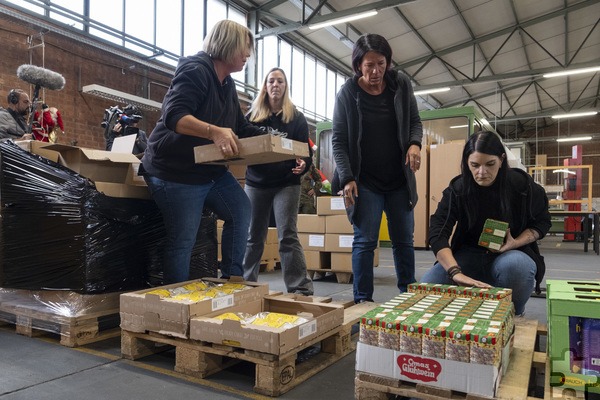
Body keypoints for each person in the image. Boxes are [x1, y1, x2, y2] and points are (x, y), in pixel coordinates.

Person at [140, 20, 262, 284]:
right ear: (229, 46)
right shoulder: (195, 70)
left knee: (240, 210)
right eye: (245, 49)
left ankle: (233, 279)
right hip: (175, 171)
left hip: (209, 170)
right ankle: (177, 300)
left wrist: (275, 139)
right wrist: (214, 131)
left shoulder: (227, 83)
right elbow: (174, 115)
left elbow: (239, 126)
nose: (248, 56)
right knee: (184, 238)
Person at [332, 33, 423, 304]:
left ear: (388, 62)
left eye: (381, 64)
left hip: (398, 180)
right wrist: (347, 177)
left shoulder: (401, 85)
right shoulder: (348, 93)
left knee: (404, 241)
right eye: (369, 65)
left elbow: (415, 122)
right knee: (365, 241)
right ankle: (362, 301)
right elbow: (338, 141)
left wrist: (415, 144)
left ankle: (408, 296)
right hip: (365, 181)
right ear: (358, 64)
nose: (375, 71)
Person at [420, 131, 551, 316]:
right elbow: (437, 232)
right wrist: (454, 271)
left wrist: (514, 243)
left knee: (517, 268)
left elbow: (543, 222)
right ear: (467, 162)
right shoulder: (457, 190)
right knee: (427, 287)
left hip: (511, 254)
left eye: (490, 164)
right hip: (468, 255)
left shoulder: (521, 185)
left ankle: (514, 314)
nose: (482, 173)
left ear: (501, 159)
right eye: (474, 165)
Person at [242, 67, 314, 295]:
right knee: (253, 235)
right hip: (256, 183)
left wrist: (305, 165)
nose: (275, 85)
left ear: (285, 86)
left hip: (286, 183)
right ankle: (246, 284)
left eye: (280, 81)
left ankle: (300, 287)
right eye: (271, 81)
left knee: (287, 235)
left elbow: (306, 153)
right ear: (265, 86)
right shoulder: (252, 117)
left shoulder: (296, 119)